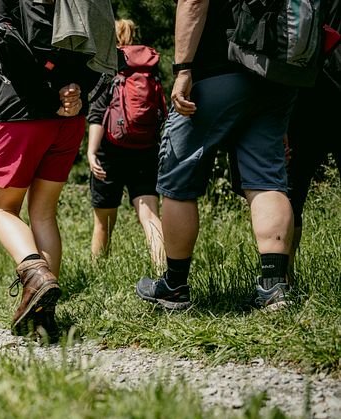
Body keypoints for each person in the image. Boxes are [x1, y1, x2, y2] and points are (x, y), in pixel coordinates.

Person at [135, 0, 299, 311]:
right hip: (275, 74)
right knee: (267, 179)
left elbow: (194, 1)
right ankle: (274, 288)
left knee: (178, 178)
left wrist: (182, 69)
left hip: (217, 70)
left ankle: (174, 286)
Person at [0, 0, 104, 340]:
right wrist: (74, 91)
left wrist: (47, 94)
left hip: (20, 111)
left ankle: (34, 275)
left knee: (2, 209)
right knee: (44, 213)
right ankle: (43, 320)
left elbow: (1, 41)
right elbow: (98, 40)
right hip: (69, 115)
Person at [86, 19, 166, 270]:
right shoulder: (148, 69)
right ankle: (164, 268)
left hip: (109, 151)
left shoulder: (108, 67)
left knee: (104, 221)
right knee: (150, 215)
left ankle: (99, 272)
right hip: (145, 148)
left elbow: (98, 114)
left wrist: (91, 152)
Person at [285, 1, 340, 273]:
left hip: (306, 88)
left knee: (293, 188)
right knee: (293, 189)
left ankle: (283, 277)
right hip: (320, 85)